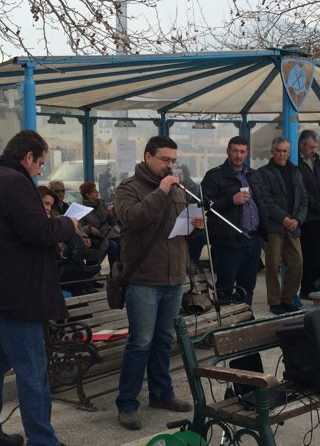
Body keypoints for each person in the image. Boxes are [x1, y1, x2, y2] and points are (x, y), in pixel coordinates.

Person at [0, 130, 77, 446]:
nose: (40, 171)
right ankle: (42, 439)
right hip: (16, 297)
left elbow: (16, 234)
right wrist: (67, 225)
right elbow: (38, 230)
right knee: (33, 371)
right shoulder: (15, 183)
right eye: (39, 163)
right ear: (28, 156)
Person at [114, 135, 203, 431]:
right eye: (165, 159)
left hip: (173, 277)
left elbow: (178, 229)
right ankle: (127, 403)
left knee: (164, 340)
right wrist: (161, 191)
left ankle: (161, 393)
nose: (170, 165)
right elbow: (132, 219)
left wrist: (195, 226)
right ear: (148, 157)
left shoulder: (178, 189)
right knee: (141, 342)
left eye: (173, 160)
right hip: (143, 279)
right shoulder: (129, 188)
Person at [201, 136, 269, 306]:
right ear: (228, 152)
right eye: (235, 151)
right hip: (228, 240)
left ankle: (245, 316)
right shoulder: (214, 176)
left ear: (247, 153)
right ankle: (225, 320)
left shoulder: (253, 174)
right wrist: (231, 200)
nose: (238, 155)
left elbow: (263, 201)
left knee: (248, 286)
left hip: (253, 238)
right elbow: (205, 205)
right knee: (225, 287)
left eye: (242, 151)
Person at [258, 137, 307, 315]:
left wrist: (298, 220)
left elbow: (303, 199)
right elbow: (264, 200)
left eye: (284, 151)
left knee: (297, 263)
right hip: (273, 226)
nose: (281, 154)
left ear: (289, 152)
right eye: (278, 150)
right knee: (272, 265)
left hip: (293, 226)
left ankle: (287, 299)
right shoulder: (263, 173)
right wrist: (283, 218)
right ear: (272, 152)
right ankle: (274, 301)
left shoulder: (296, 171)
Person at [297, 130, 320, 299]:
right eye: (311, 147)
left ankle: (316, 287)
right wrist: (318, 206)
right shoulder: (296, 162)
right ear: (301, 145)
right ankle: (309, 289)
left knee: (319, 253)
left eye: (315, 147)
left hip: (319, 215)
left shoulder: (316, 160)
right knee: (311, 255)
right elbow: (302, 190)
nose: (313, 150)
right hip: (306, 216)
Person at [79, 182, 120, 268]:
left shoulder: (102, 203)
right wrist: (89, 228)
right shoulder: (82, 209)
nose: (97, 192)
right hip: (96, 239)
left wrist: (112, 215)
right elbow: (79, 227)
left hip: (108, 235)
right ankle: (114, 271)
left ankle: (118, 271)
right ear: (88, 195)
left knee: (121, 243)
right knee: (113, 246)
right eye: (94, 191)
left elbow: (112, 223)